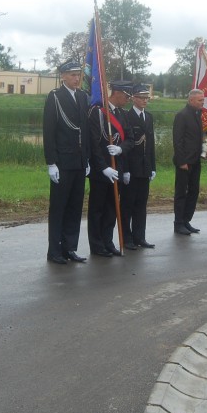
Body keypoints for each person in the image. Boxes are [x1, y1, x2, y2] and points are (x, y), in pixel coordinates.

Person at [43, 61, 91, 265]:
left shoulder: (82, 97)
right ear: (62, 76)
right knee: (59, 208)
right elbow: (49, 131)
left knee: (74, 207)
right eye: (72, 75)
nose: (76, 78)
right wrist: (51, 162)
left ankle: (70, 248)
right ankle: (54, 251)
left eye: (78, 75)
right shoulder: (55, 97)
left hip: (79, 161)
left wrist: (86, 158)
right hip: (62, 161)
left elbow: (86, 131)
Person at [87, 80, 133, 257]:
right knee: (97, 209)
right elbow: (94, 144)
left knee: (112, 208)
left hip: (117, 168)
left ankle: (108, 241)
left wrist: (121, 148)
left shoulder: (122, 114)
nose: (128, 99)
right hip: (102, 171)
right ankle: (97, 245)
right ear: (117, 93)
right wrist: (103, 167)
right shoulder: (97, 112)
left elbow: (130, 138)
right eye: (127, 96)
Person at [122, 84, 156, 249]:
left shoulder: (148, 117)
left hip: (144, 167)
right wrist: (126, 170)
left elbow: (151, 145)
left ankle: (139, 237)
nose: (144, 101)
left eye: (146, 98)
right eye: (141, 98)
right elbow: (126, 146)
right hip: (131, 168)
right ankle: (126, 238)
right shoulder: (126, 116)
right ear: (133, 98)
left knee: (141, 204)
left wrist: (153, 166)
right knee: (127, 204)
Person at [173, 89, 205, 236]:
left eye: (203, 100)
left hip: (196, 160)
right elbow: (177, 140)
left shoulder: (197, 115)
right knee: (181, 193)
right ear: (191, 100)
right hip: (184, 162)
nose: (202, 102)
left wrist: (203, 149)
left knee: (194, 191)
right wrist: (181, 161)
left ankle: (186, 220)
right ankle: (178, 223)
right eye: (200, 100)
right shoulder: (182, 115)